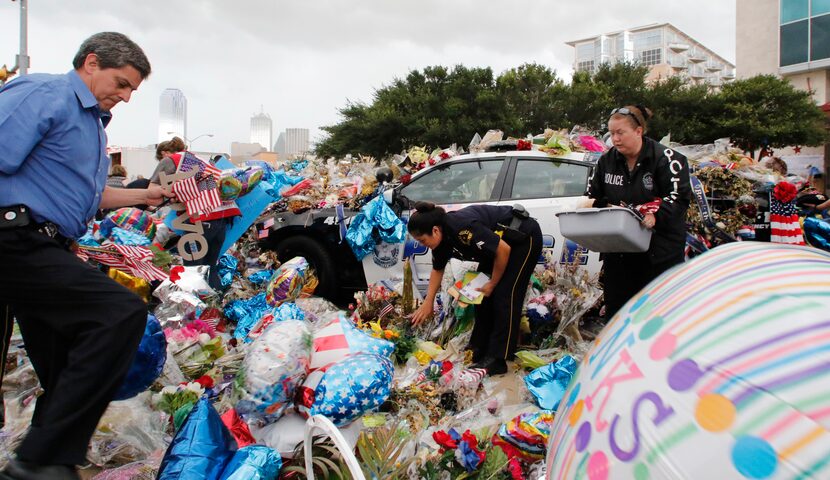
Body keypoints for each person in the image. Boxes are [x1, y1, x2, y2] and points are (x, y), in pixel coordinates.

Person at [0, 32, 170, 480]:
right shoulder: (45, 93)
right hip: (13, 238)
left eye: (133, 89)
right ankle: (42, 460)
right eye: (121, 82)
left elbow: (85, 197)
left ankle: (42, 461)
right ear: (91, 62)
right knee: (119, 315)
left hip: (45, 242)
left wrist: (144, 195)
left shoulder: (91, 123)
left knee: (62, 360)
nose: (126, 96)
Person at [408, 202, 542, 375]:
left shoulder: (461, 227)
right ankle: (478, 349)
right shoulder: (440, 240)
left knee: (504, 295)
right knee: (479, 294)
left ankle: (497, 358)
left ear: (435, 230)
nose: (423, 245)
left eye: (422, 241)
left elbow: (503, 250)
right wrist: (428, 302)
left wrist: (493, 283)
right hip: (496, 248)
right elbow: (437, 269)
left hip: (521, 239)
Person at [587, 105, 690, 319]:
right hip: (619, 255)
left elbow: (679, 198)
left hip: (659, 256)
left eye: (620, 133)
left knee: (656, 318)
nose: (615, 139)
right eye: (611, 133)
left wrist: (655, 215)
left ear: (638, 131)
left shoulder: (667, 159)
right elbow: (592, 196)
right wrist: (599, 207)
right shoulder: (606, 161)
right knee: (618, 315)